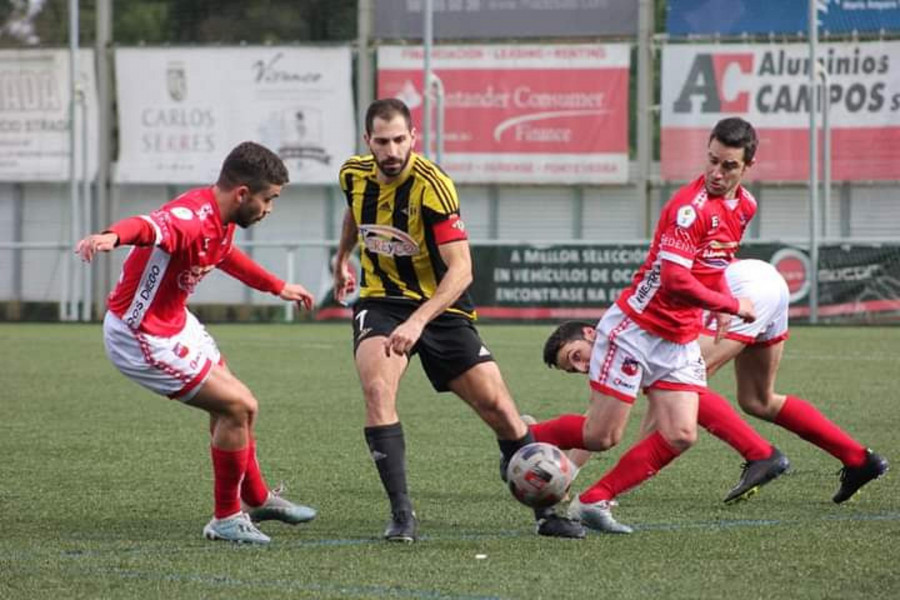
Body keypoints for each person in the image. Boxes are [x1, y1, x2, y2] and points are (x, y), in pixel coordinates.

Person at [332, 98, 584, 541]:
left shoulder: (434, 186)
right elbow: (356, 211)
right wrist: (342, 258)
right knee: (377, 390)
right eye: (382, 141)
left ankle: (547, 514)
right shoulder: (353, 174)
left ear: (414, 137)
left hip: (442, 305)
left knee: (501, 411)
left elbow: (462, 269)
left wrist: (419, 322)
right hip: (382, 301)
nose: (391, 150)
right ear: (367, 140)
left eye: (398, 140)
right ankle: (402, 514)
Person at [522, 118, 761, 534]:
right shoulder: (689, 210)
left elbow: (715, 260)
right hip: (636, 329)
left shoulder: (745, 206)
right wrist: (732, 304)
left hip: (680, 337)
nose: (717, 173)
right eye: (712, 161)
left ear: (747, 166)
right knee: (601, 437)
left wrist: (720, 304)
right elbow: (675, 279)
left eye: (729, 166)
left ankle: (595, 501)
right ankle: (519, 436)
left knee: (682, 433)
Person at [75, 141, 317, 545]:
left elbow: (226, 256)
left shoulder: (221, 218)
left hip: (176, 323)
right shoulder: (189, 219)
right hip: (141, 337)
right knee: (240, 405)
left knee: (234, 401)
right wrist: (110, 237)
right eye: (268, 199)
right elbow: (147, 226)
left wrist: (279, 286)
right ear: (243, 193)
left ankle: (257, 498)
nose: (269, 209)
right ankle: (226, 518)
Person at [543, 258, 888, 508]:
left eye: (577, 356)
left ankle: (762, 455)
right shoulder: (618, 338)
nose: (584, 367)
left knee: (683, 387)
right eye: (575, 370)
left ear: (590, 333)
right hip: (765, 280)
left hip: (743, 291)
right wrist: (568, 471)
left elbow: (602, 427)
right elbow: (598, 423)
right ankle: (859, 459)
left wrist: (570, 467)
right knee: (757, 399)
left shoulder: (619, 338)